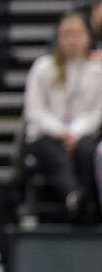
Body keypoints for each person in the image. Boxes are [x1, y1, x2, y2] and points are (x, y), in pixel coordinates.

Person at [23, 13, 102, 221]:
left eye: (77, 35)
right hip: (46, 134)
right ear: (59, 38)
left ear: (87, 38)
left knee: (88, 151)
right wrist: (61, 131)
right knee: (55, 155)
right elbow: (34, 111)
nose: (73, 41)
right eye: (68, 35)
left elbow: (96, 113)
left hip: (82, 133)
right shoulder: (43, 67)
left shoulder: (97, 70)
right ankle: (74, 197)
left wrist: (75, 132)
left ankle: (89, 205)